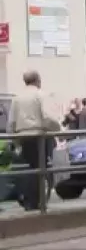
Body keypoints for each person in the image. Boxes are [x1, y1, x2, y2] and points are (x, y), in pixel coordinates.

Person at [7, 70, 61, 210]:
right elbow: (48, 117)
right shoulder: (41, 95)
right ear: (38, 80)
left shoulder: (17, 98)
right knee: (41, 168)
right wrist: (58, 129)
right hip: (39, 136)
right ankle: (38, 201)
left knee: (29, 169)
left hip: (23, 137)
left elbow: (11, 122)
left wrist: (14, 139)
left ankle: (28, 200)